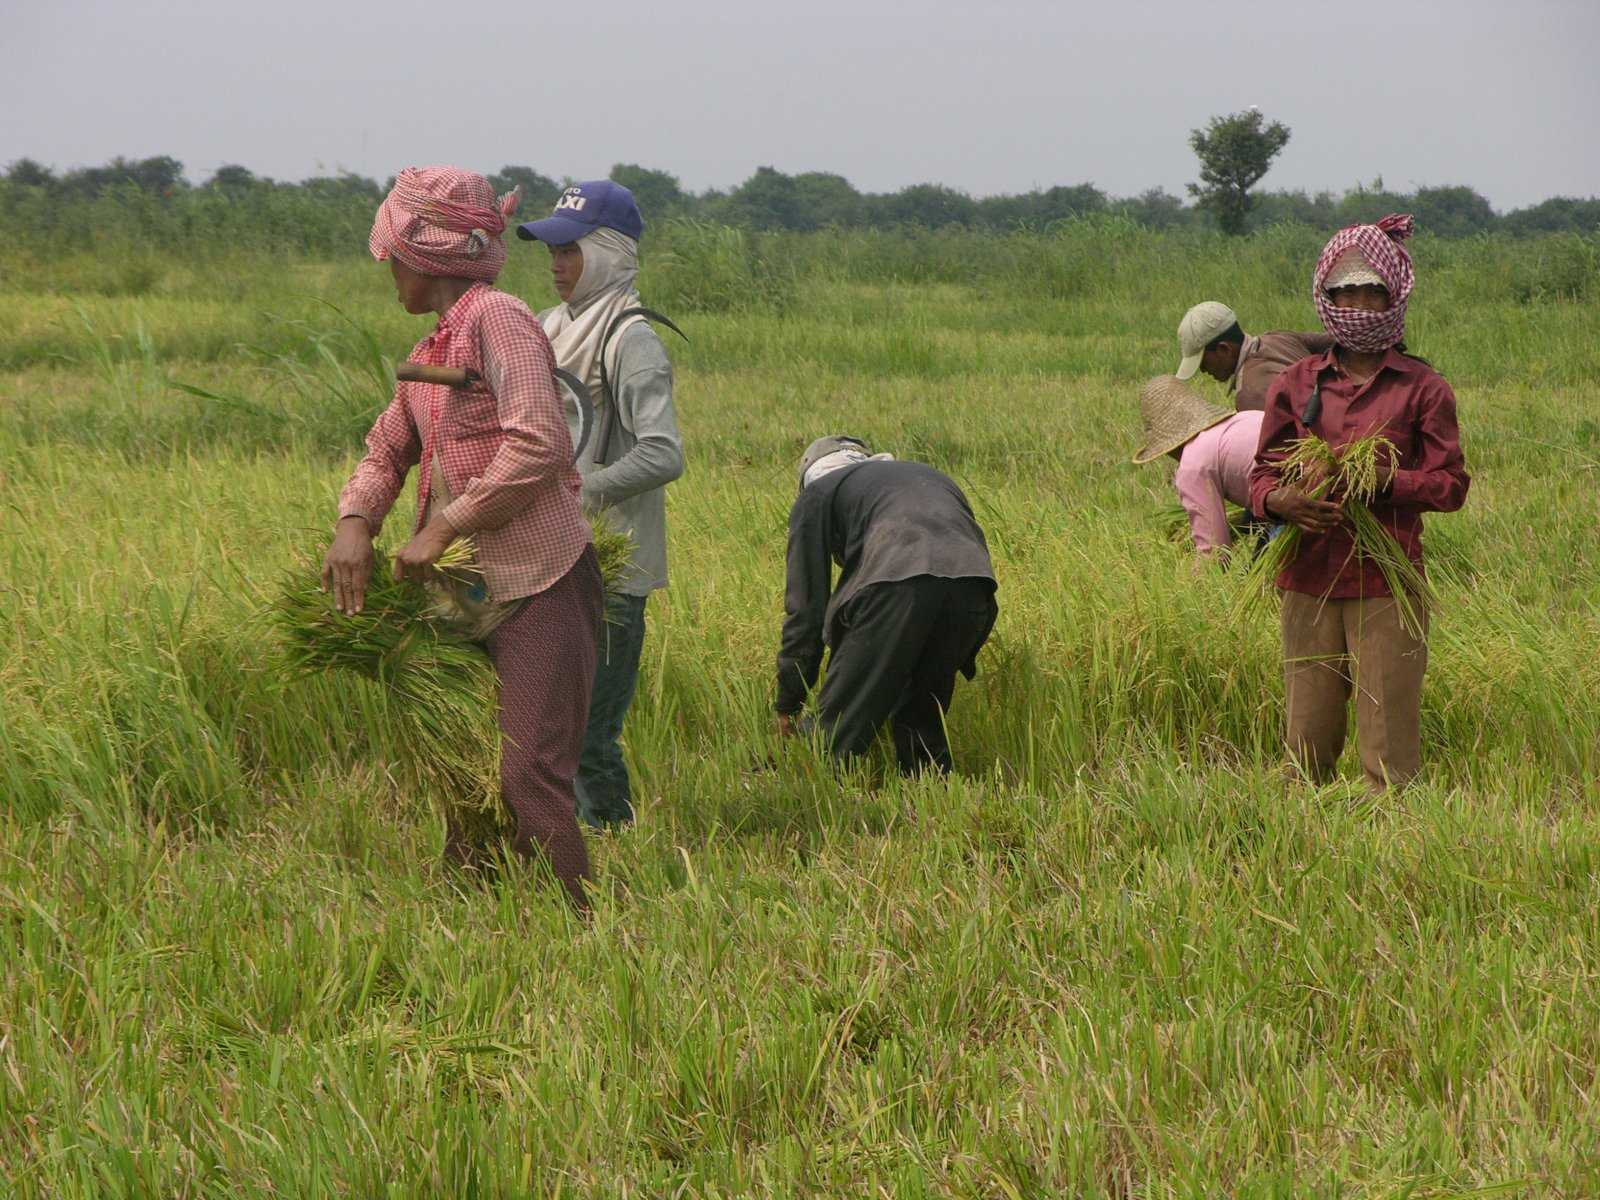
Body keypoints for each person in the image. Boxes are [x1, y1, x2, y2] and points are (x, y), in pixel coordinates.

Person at [321, 165, 602, 910]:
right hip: (467, 594)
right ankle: (475, 920)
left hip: (538, 581)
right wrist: (356, 523)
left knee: (528, 777)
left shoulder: (499, 318)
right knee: (461, 762)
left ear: (427, 256)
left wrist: (444, 525)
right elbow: (387, 449)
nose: (388, 269)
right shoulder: (432, 348)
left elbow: (540, 442)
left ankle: (585, 936)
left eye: (395, 256)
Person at [1247, 214, 1470, 791]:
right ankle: (1305, 851)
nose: (1358, 306)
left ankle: (1396, 853)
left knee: (1388, 749)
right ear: (1326, 297)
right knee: (1305, 746)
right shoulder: (1295, 384)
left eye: (1372, 294)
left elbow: (1450, 486)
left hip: (1386, 581)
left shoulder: (1423, 387)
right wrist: (1284, 502)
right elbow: (1259, 477)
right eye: (1344, 293)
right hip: (1307, 579)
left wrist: (1385, 482)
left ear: (1393, 298)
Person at [516, 181, 684, 830]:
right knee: (544, 725)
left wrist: (589, 487)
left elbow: (665, 453)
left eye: (569, 250)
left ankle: (612, 846)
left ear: (610, 252)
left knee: (589, 733)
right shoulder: (547, 325)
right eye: (551, 252)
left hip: (614, 569)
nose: (556, 266)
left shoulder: (632, 340)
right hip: (549, 556)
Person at [775, 437, 998, 775]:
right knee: (922, 729)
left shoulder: (818, 493)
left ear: (811, 476)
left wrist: (789, 704)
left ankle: (793, 794)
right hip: (973, 587)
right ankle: (931, 804)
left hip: (898, 581)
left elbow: (806, 611)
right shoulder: (920, 476)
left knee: (832, 736)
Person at [1132, 373, 1267, 556]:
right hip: (1311, 478)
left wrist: (1189, 583)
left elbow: (1214, 553)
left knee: (1268, 581)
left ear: (1168, 446)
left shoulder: (1192, 465)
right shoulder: (1244, 419)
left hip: (1300, 503)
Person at [1174, 301, 1334, 412]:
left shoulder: (1249, 396)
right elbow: (1338, 339)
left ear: (1224, 350)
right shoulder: (1280, 337)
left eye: (1203, 362)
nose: (1202, 370)